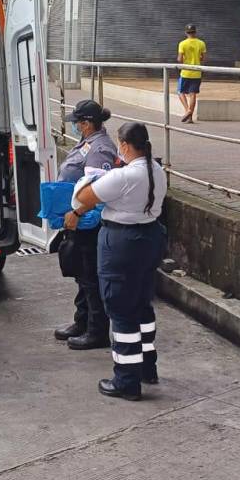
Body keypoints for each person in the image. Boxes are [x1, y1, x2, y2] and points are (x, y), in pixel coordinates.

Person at [72, 122, 168, 401]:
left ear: (124, 146)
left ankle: (126, 380)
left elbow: (82, 200)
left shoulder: (123, 176)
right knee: (141, 305)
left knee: (120, 309)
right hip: (150, 238)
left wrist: (87, 180)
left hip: (122, 244)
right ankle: (147, 367)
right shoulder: (157, 171)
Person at [56, 99, 119, 350]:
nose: (75, 127)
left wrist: (77, 213)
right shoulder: (88, 144)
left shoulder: (101, 149)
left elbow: (96, 190)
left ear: (87, 124)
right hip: (78, 218)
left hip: (88, 221)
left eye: (78, 123)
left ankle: (97, 331)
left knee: (91, 277)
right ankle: (81, 321)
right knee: (82, 276)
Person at [176, 24, 207, 123]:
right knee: (192, 94)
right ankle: (190, 117)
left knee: (180, 92)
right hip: (197, 72)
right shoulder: (201, 43)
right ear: (195, 32)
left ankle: (188, 110)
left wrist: (183, 58)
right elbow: (203, 58)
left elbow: (180, 59)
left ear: (186, 32)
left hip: (185, 72)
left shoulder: (182, 44)